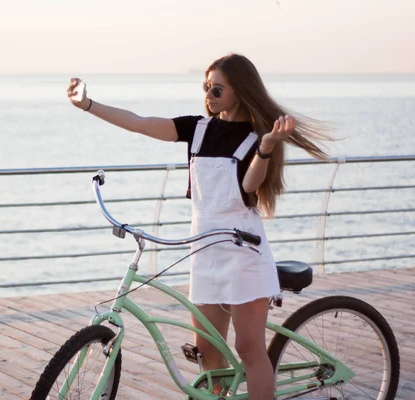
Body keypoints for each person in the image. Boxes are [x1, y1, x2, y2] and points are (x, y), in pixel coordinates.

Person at [67, 53, 330, 400]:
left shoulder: (255, 137)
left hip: (243, 253)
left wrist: (265, 148)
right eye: (206, 87)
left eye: (218, 89)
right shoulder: (198, 128)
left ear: (240, 91)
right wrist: (87, 104)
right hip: (204, 253)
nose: (209, 94)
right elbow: (139, 122)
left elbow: (250, 187)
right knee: (207, 353)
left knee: (250, 350)